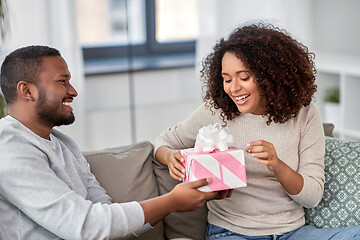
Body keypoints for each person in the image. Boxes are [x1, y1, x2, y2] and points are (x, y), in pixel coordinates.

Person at [0, 45, 231, 240]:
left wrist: (187, 197)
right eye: (63, 82)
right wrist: (171, 202)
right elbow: (86, 226)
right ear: (26, 90)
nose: (73, 91)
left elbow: (108, 220)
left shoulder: (63, 144)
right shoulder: (9, 146)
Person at [154, 23, 360, 239]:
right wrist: (169, 157)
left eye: (244, 78)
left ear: (270, 76)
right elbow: (162, 142)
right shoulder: (216, 111)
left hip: (293, 232)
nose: (233, 88)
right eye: (226, 79)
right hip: (231, 232)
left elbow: (312, 196)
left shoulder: (304, 115)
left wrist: (277, 166)